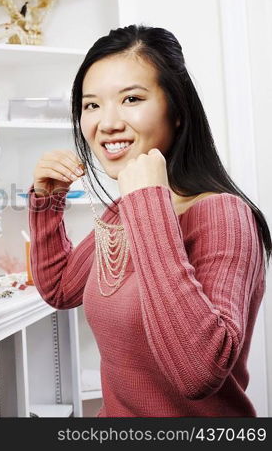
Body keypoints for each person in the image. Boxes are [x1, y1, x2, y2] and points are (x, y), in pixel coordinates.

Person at [28, 24, 270, 417]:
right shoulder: (122, 211)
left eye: (132, 98)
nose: (107, 123)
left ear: (176, 111)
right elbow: (59, 289)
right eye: (92, 105)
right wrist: (46, 201)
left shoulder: (222, 215)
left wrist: (146, 204)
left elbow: (197, 372)